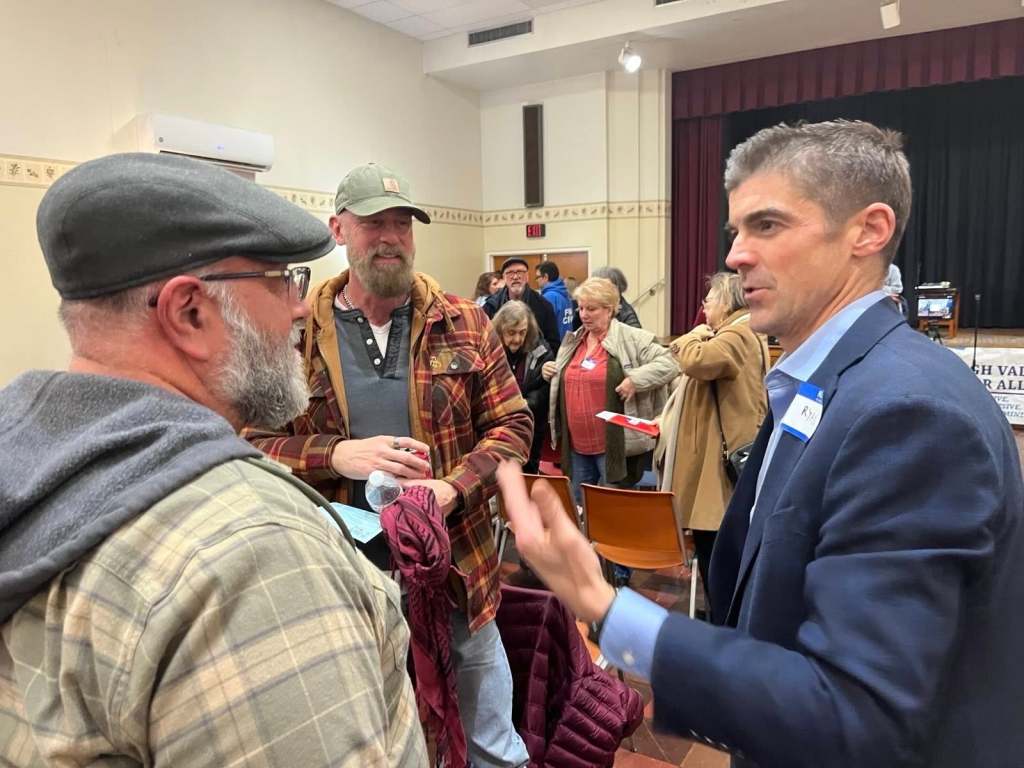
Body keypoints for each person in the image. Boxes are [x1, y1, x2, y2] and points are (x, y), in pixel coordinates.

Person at [497, 120, 1024, 767]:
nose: (738, 254)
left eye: (767, 226)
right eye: (736, 231)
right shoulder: (821, 382)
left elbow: (850, 712)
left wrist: (605, 606)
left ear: (869, 230)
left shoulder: (908, 411)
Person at [0, 153, 427, 766]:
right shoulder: (253, 553)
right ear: (189, 312)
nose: (300, 308)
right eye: (282, 280)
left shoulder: (30, 462)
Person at [244, 162, 532, 768]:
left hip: (456, 569)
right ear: (339, 229)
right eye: (374, 222)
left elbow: (514, 426)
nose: (390, 237)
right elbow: (247, 440)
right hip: (341, 577)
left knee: (494, 744)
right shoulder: (292, 333)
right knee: (378, 741)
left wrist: (452, 490)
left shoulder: (466, 321)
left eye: (401, 223)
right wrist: (335, 455)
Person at [658, 272, 769, 614]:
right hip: (715, 460)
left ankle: (723, 626)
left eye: (708, 300)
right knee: (714, 553)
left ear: (726, 301)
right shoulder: (737, 332)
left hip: (717, 470)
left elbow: (696, 361)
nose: (704, 308)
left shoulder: (736, 333)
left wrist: (689, 337)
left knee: (715, 551)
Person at [541, 277, 677, 504]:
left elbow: (672, 363)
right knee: (580, 511)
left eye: (591, 309)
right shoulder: (574, 340)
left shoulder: (631, 337)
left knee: (612, 513)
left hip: (613, 449)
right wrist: (550, 371)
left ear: (609, 309)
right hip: (576, 447)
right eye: (581, 308)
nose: (583, 314)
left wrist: (635, 380)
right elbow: (567, 376)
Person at [492, 300, 555, 473]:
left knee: (528, 473)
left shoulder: (540, 349)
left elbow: (544, 390)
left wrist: (524, 404)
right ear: (500, 329)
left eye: (522, 332)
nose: (517, 339)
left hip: (531, 425)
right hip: (499, 427)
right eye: (511, 333)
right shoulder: (489, 349)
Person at [484, 257, 560, 352]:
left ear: (527, 276)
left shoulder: (543, 305)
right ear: (503, 278)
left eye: (520, 272)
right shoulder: (491, 305)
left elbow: (553, 344)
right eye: (510, 273)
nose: (515, 277)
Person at [571, 265, 642, 331]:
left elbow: (634, 339)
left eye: (591, 309)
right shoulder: (580, 311)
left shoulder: (627, 314)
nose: (583, 315)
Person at [535, 261, 574, 340]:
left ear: (545, 277)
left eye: (537, 277)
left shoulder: (548, 297)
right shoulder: (565, 294)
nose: (536, 280)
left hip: (556, 347)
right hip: (568, 345)